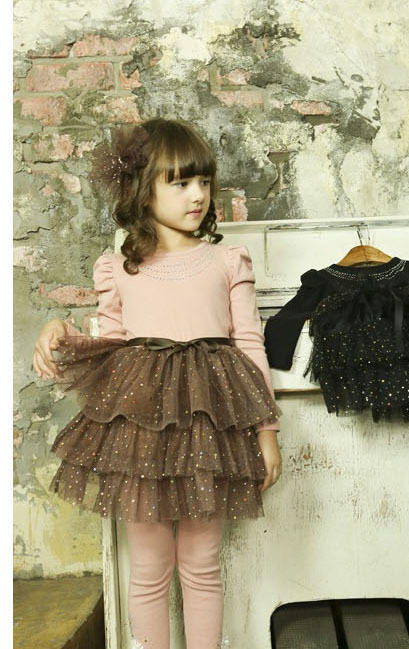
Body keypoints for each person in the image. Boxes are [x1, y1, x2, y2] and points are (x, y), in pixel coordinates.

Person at [32, 117, 283, 649]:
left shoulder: (226, 260)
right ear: (143, 190)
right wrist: (61, 331)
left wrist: (267, 433)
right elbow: (111, 346)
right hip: (141, 436)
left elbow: (250, 346)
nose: (198, 195)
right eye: (181, 182)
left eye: (204, 181)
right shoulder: (119, 268)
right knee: (148, 568)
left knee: (201, 563)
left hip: (208, 435)